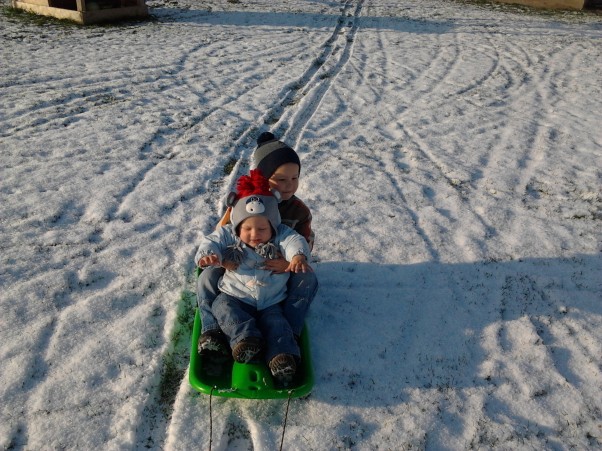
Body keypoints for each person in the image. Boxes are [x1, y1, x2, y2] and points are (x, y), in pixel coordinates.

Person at [197, 132, 318, 356]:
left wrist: (289, 261)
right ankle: (212, 329)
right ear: (263, 178)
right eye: (281, 179)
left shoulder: (298, 210)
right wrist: (221, 259)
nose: (289, 185)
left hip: (278, 271)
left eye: (294, 178)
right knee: (207, 277)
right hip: (240, 269)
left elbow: (303, 242)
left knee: (308, 278)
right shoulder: (244, 204)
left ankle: (288, 332)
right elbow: (222, 234)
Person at [194, 170, 312, 382]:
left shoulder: (281, 234)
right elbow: (212, 241)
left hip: (271, 301)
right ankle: (246, 341)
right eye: (247, 228)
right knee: (223, 307)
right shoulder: (230, 233)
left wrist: (297, 256)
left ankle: (282, 357)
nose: (254, 234)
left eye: (261, 228)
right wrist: (210, 255)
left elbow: (295, 240)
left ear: (272, 226)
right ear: (238, 226)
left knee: (278, 324)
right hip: (235, 295)